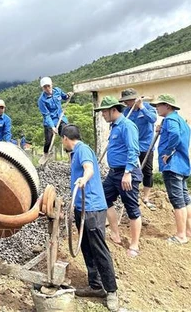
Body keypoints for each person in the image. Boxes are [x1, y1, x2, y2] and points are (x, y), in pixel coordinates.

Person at [61, 124, 118, 311]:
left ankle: (111, 291)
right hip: (81, 207)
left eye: (63, 140)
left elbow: (89, 168)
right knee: (86, 246)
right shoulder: (75, 153)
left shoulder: (82, 149)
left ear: (65, 138)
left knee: (99, 249)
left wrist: (84, 179)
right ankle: (96, 285)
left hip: (92, 207)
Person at [95, 96, 143, 258]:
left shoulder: (127, 126)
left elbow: (133, 150)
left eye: (104, 111)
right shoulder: (114, 126)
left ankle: (134, 245)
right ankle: (115, 233)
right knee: (103, 198)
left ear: (113, 110)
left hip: (127, 172)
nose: (102, 115)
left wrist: (128, 173)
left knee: (132, 208)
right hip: (114, 173)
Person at [150, 94, 191, 245]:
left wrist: (168, 151)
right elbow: (176, 134)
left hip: (172, 166)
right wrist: (162, 130)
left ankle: (181, 236)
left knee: (177, 201)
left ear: (167, 106)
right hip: (182, 165)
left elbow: (174, 135)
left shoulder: (170, 120)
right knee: (185, 199)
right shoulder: (181, 121)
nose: (156, 109)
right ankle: (188, 231)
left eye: (158, 106)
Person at [119, 88, 157, 210]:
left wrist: (141, 107)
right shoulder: (126, 112)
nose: (127, 103)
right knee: (132, 170)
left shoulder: (147, 107)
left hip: (146, 145)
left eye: (129, 101)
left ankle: (146, 197)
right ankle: (133, 195)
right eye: (125, 102)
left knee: (147, 171)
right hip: (131, 146)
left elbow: (153, 119)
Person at [37, 76, 73, 158]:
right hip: (50, 121)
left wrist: (68, 96)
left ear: (51, 85)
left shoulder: (58, 91)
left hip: (61, 118)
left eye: (48, 86)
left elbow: (64, 97)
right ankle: (45, 154)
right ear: (42, 88)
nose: (47, 88)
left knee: (67, 135)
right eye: (45, 87)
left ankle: (71, 155)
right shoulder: (41, 100)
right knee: (48, 140)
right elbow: (46, 115)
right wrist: (53, 127)